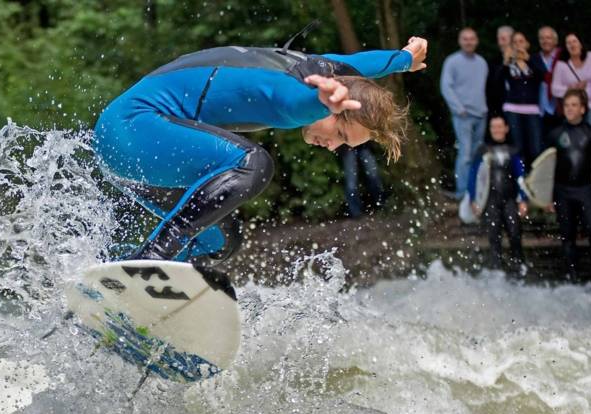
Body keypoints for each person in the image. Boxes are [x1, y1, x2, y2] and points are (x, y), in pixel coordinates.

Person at [94, 34, 428, 262]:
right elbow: (300, 102)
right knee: (253, 163)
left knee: (220, 241)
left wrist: (403, 59)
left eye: (344, 145)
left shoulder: (317, 65)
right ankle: (149, 261)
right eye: (340, 131)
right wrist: (322, 102)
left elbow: (359, 63)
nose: (332, 146)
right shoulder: (296, 96)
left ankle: (111, 274)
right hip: (133, 129)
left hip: (141, 151)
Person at [467, 115, 528, 270]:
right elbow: (474, 175)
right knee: (494, 236)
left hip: (510, 199)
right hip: (490, 201)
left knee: (514, 233)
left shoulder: (514, 150)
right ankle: (497, 269)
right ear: (490, 129)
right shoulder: (482, 150)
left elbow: (521, 175)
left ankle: (519, 267)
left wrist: (524, 199)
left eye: (500, 126)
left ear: (506, 129)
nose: (497, 130)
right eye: (493, 126)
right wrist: (474, 199)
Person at [545, 88, 591, 281]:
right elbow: (546, 167)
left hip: (585, 190)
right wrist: (547, 196)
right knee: (567, 235)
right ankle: (572, 277)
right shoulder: (555, 134)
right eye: (566, 105)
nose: (569, 109)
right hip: (562, 191)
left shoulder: (590, 133)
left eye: (574, 105)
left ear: (583, 109)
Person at [441, 28, 488, 200]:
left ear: (476, 41)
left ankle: (476, 192)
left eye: (472, 38)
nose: (468, 42)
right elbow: (446, 87)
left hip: (481, 114)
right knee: (465, 154)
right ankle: (463, 193)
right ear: (460, 41)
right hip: (463, 115)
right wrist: (458, 108)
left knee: (477, 155)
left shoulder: (482, 62)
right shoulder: (452, 61)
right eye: (465, 39)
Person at [501, 32, 544, 166]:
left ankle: (534, 179)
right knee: (517, 147)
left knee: (536, 148)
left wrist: (528, 60)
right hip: (512, 108)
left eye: (521, 41)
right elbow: (497, 82)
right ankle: (519, 180)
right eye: (515, 42)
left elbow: (543, 77)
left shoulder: (535, 59)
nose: (518, 44)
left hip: (532, 109)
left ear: (527, 44)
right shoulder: (509, 62)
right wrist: (505, 63)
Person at [552, 33, 591, 126]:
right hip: (573, 109)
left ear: (580, 44)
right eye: (568, 43)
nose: (572, 45)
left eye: (574, 41)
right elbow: (554, 89)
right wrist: (571, 89)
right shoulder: (561, 65)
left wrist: (586, 87)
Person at [337, 144, 384, 218]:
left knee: (373, 175)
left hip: (362, 146)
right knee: (351, 182)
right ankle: (356, 211)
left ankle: (380, 203)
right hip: (349, 148)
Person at [532, 26, 562, 135]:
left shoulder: (562, 56)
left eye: (548, 38)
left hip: (559, 108)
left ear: (555, 40)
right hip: (539, 110)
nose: (545, 41)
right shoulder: (533, 59)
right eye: (542, 38)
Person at [487, 26, 515, 118]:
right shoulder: (494, 62)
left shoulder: (523, 59)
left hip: (521, 107)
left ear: (512, 39)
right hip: (500, 108)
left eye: (503, 39)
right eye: (498, 39)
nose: (500, 43)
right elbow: (492, 86)